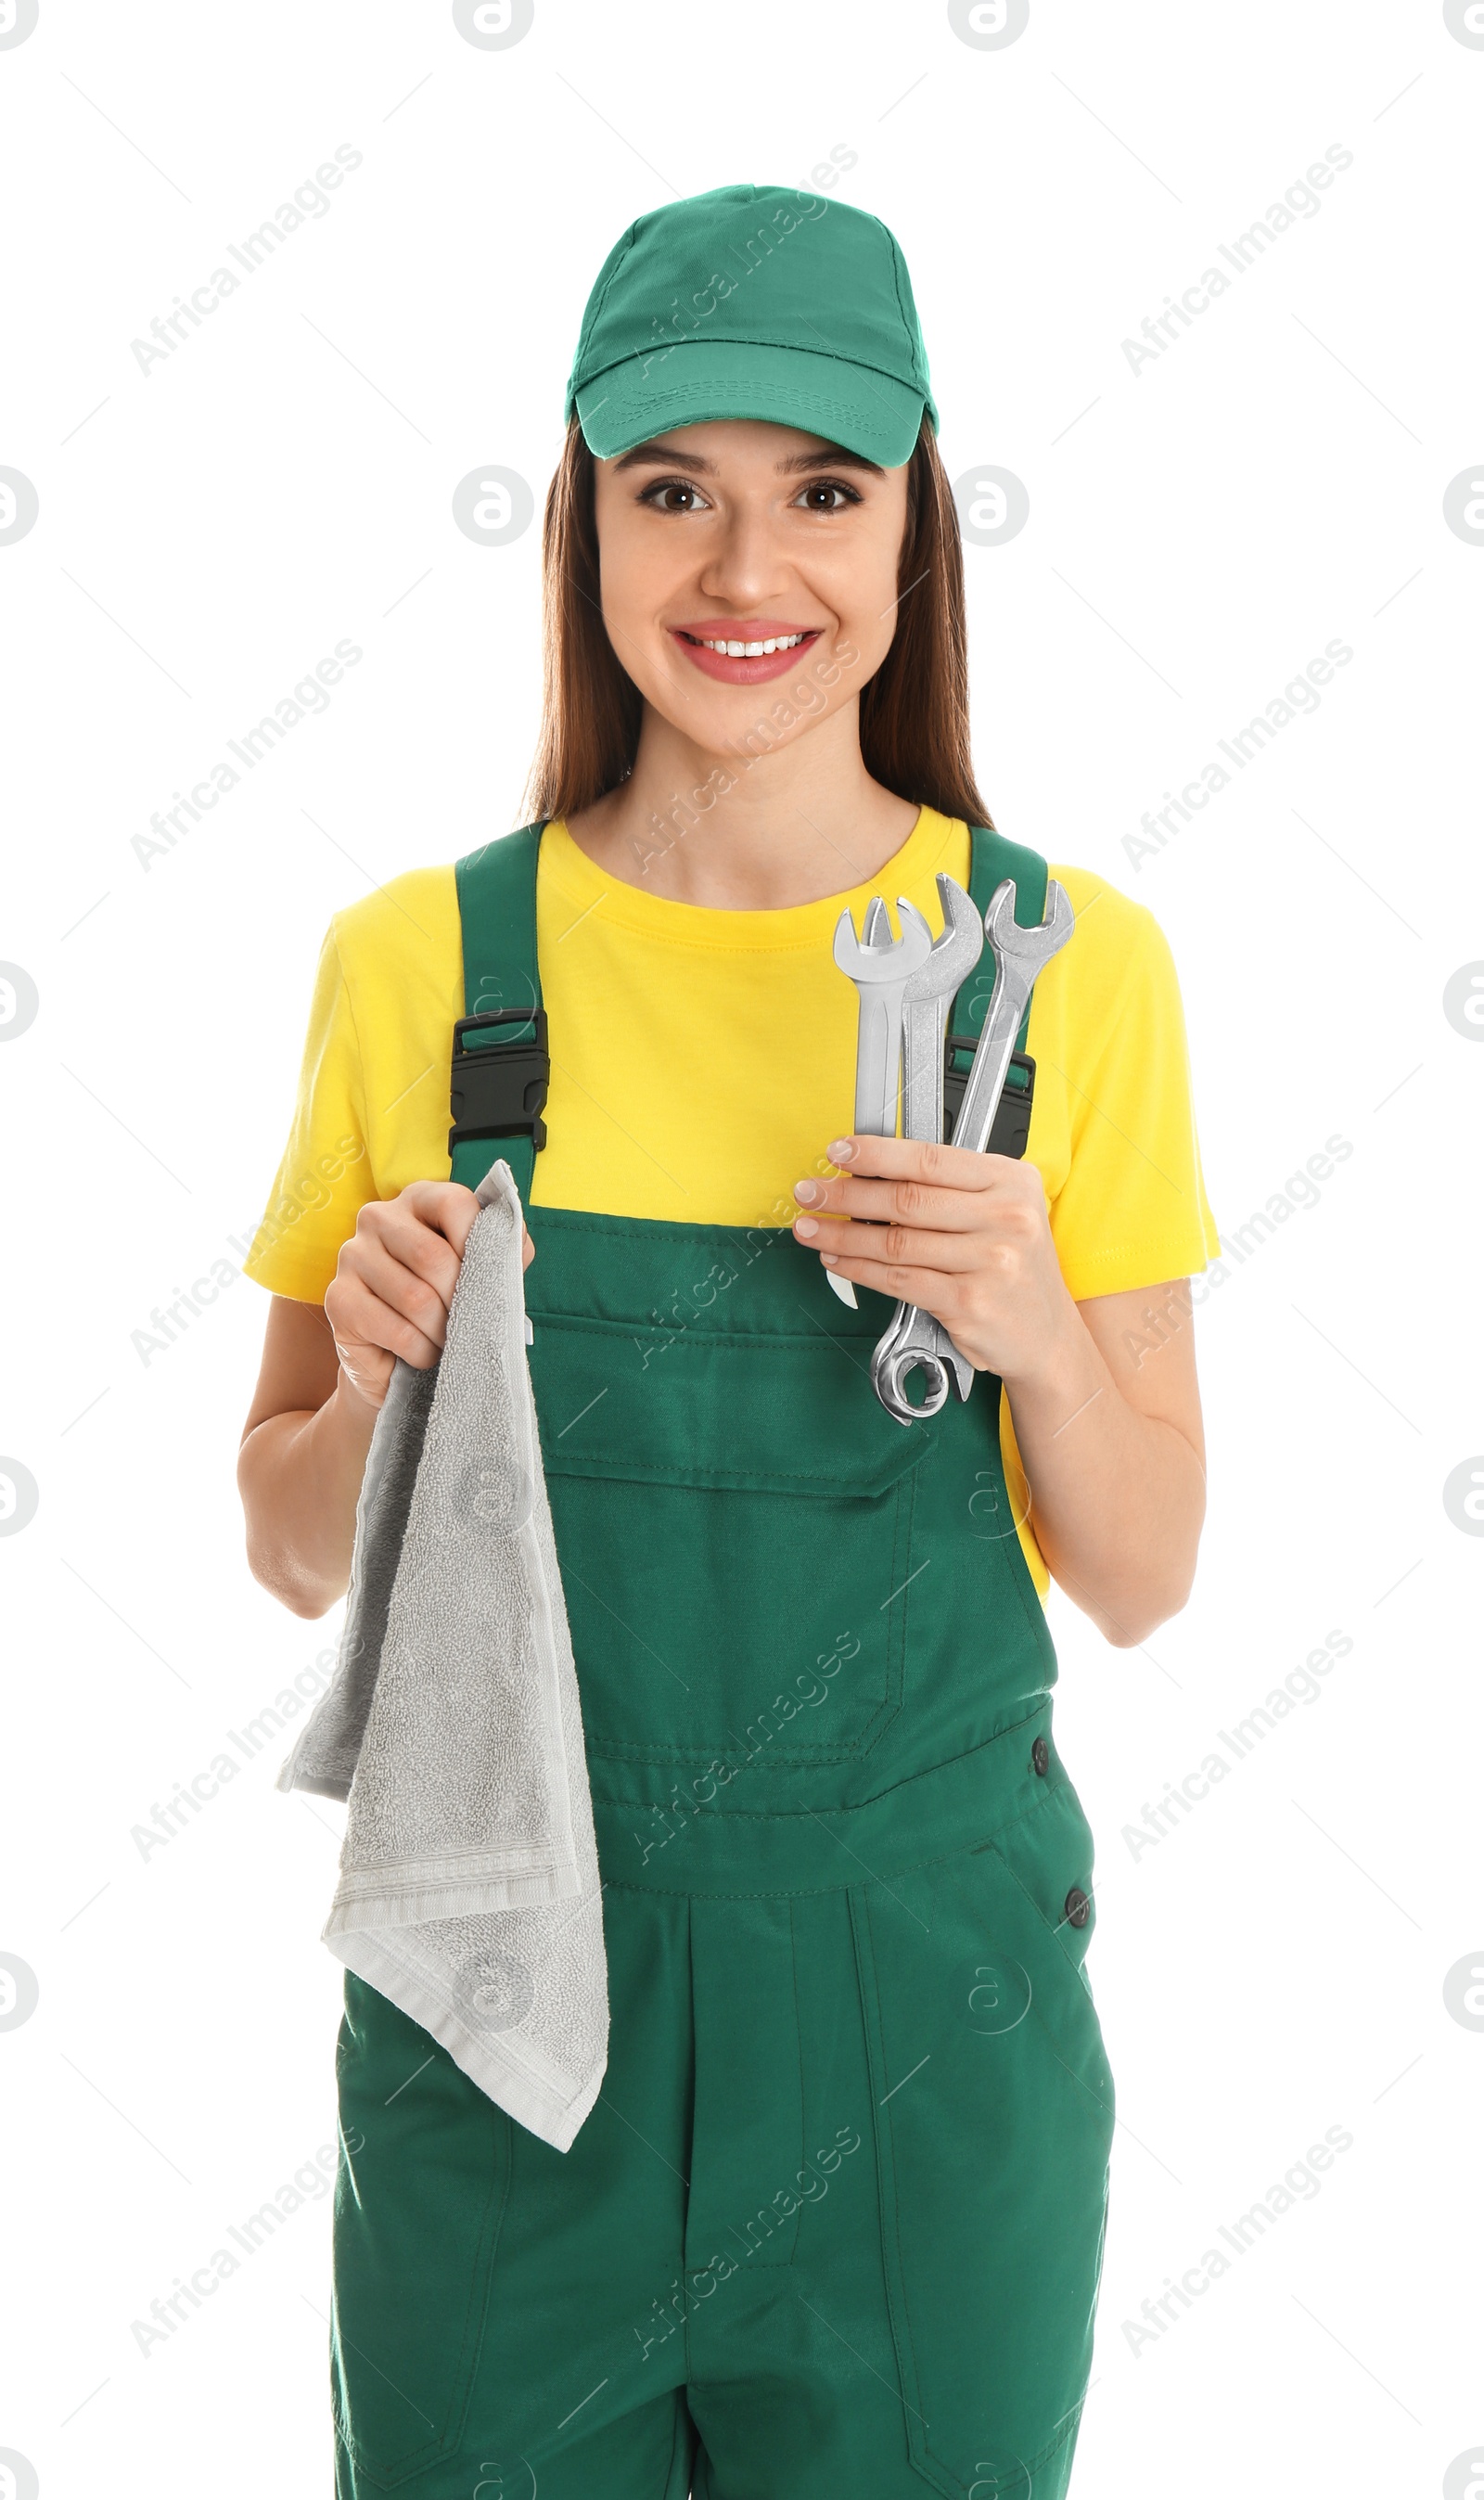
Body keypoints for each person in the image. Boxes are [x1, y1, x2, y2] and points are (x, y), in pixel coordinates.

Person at [238, 183, 1217, 2500]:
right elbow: (288, 1552)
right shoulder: (420, 965)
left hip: (915, 2041)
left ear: (912, 527)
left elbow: (1151, 1565)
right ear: (582, 522)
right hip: (497, 2036)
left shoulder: (1065, 971)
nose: (743, 575)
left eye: (820, 494)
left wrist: (1030, 1334)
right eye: (671, 491)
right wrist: (372, 1365)